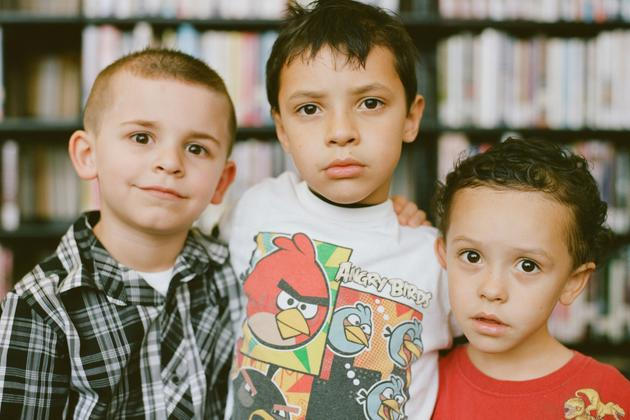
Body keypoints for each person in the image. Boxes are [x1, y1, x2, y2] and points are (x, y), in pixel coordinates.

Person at [225, 1, 453, 418]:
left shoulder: (436, 257)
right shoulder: (256, 207)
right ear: (282, 129)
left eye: (370, 103)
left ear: (411, 117)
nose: (342, 132)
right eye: (309, 109)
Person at [0, 49, 243, 419]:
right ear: (88, 154)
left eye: (196, 148)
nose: (170, 163)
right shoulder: (40, 307)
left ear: (221, 181)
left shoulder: (235, 274)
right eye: (142, 137)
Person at [432, 137, 630, 419]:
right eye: (472, 256)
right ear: (443, 255)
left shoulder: (610, 399)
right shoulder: (417, 378)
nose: (492, 290)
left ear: (572, 282)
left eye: (527, 266)